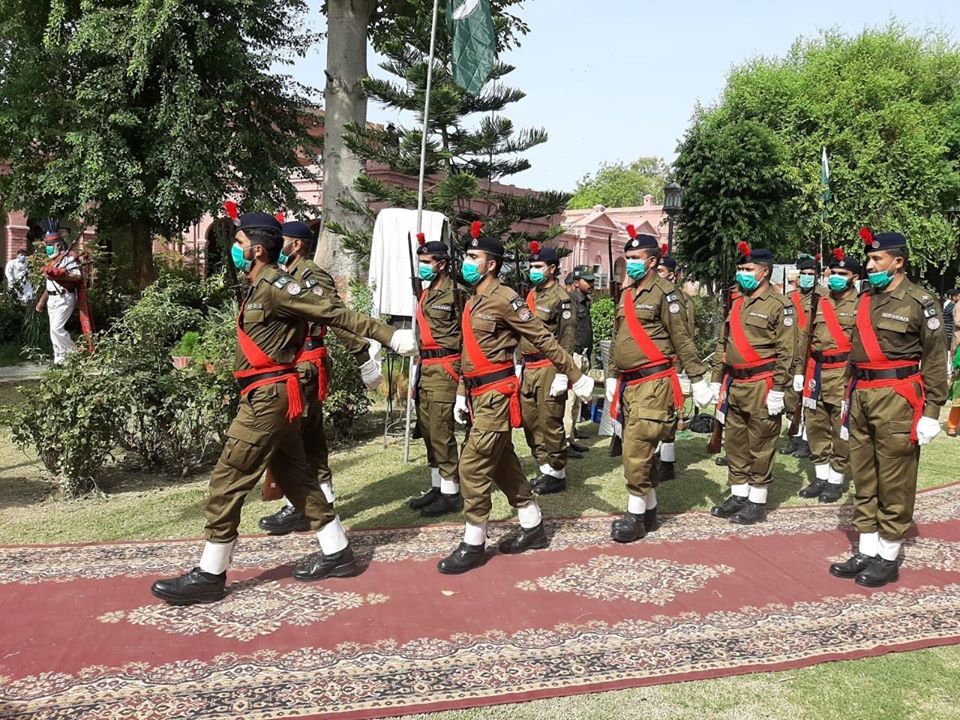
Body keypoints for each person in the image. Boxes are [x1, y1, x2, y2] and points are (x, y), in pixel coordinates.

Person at [151, 212, 416, 605]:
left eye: (239, 243)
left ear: (257, 249)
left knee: (227, 480)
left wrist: (389, 335)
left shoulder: (278, 287)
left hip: (268, 400)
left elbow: (333, 312)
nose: (234, 248)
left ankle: (210, 573)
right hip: (270, 395)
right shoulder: (260, 285)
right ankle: (337, 551)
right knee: (296, 476)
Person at [437, 222, 593, 575]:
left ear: (491, 263)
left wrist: (573, 374)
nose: (467, 262)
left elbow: (543, 337)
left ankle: (474, 543)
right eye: (466, 256)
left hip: (496, 394)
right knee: (503, 464)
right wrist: (461, 393)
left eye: (473, 257)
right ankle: (532, 524)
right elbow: (469, 352)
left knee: (472, 467)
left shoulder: (506, 298)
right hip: (477, 394)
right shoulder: (474, 299)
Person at [830, 229, 946, 588]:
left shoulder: (920, 301)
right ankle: (867, 549)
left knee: (895, 478)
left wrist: (932, 411)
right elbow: (855, 353)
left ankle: (889, 554)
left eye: (876, 259)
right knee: (863, 474)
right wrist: (847, 398)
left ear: (897, 262)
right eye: (868, 259)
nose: (869, 265)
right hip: (861, 394)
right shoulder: (866, 298)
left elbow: (935, 359)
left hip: (897, 397)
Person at [257, 221, 382, 536]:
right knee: (307, 437)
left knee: (298, 439)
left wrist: (362, 356)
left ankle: (302, 505)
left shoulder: (311, 275)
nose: (278, 245)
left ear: (296, 245)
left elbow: (334, 316)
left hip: (306, 366)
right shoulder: (288, 274)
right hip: (295, 363)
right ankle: (318, 501)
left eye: (283, 239)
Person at [605, 230, 712, 542]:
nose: (630, 263)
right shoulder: (627, 294)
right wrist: (612, 373)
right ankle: (649, 512)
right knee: (638, 447)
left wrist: (697, 378)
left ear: (652, 261)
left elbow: (682, 339)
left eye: (636, 259)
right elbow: (618, 337)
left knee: (636, 449)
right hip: (629, 384)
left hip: (653, 383)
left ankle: (635, 518)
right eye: (628, 258)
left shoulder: (667, 294)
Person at [709, 242, 798, 525]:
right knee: (735, 442)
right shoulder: (737, 301)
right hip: (735, 383)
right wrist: (715, 380)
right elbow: (723, 343)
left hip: (762, 383)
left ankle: (757, 500)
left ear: (765, 271)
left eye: (748, 269)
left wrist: (779, 389)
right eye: (740, 269)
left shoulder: (780, 305)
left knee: (760, 442)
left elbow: (787, 351)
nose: (742, 274)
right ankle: (739, 495)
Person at [796, 249, 861, 503]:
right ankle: (821, 476)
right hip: (816, 371)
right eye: (833, 272)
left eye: (842, 273)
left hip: (842, 372)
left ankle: (835, 480)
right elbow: (805, 339)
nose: (835, 277)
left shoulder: (861, 304)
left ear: (854, 277)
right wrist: (799, 371)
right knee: (815, 425)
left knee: (840, 428)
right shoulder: (818, 302)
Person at [408, 231, 464, 517]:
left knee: (442, 433)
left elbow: (467, 335)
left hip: (446, 369)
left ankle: (452, 493)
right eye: (421, 262)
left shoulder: (457, 293)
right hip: (426, 369)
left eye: (427, 262)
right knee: (428, 431)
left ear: (441, 264)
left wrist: (464, 379)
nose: (423, 267)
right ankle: (437, 487)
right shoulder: (426, 292)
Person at [520, 242, 577, 495]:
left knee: (550, 420)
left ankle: (557, 473)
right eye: (531, 266)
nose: (533, 270)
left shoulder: (562, 299)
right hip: (528, 367)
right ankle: (544, 468)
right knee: (530, 420)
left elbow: (567, 339)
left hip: (549, 367)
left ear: (552, 269)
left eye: (538, 266)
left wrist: (563, 374)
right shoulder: (531, 295)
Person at [655, 246, 697, 481]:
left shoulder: (681, 300)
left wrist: (680, 364)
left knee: (667, 412)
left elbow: (684, 335)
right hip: (648, 363)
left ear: (672, 274)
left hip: (670, 363)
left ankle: (667, 460)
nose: (657, 274)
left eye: (661, 271)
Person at [781, 255, 818, 458]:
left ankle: (807, 441)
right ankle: (794, 437)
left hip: (811, 357)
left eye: (810, 274)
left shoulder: (823, 297)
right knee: (791, 399)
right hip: (791, 356)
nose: (806, 277)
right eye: (803, 273)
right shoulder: (790, 298)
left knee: (810, 402)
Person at [35, 224, 82, 365]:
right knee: (53, 330)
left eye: (50, 245)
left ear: (59, 245)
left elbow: (77, 276)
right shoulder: (52, 261)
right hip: (52, 298)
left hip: (64, 297)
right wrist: (41, 301)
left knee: (57, 328)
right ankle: (60, 359)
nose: (48, 247)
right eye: (47, 245)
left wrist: (60, 275)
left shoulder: (68, 258)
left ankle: (74, 352)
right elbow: (49, 285)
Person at [564, 265, 595, 453]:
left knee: (576, 400)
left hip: (583, 354)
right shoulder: (571, 302)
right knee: (569, 399)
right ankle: (565, 441)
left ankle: (571, 435)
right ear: (576, 283)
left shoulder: (584, 301)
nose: (592, 284)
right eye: (587, 281)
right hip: (574, 354)